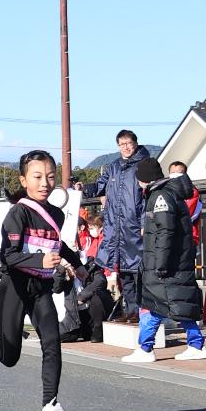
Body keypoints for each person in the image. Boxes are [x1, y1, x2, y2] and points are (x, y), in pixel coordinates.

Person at [0, 150, 86, 411]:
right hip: (15, 287)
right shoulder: (18, 213)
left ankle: (50, 406)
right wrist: (39, 260)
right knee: (10, 357)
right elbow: (8, 256)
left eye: (50, 176)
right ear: (24, 180)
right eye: (37, 177)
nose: (45, 183)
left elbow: (59, 246)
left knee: (52, 342)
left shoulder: (57, 214)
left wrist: (79, 266)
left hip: (41, 289)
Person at [121, 158, 206, 363]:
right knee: (176, 304)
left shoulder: (160, 196)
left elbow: (165, 231)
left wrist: (159, 263)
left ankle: (145, 348)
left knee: (153, 304)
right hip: (174, 260)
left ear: (145, 179)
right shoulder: (170, 193)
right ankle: (195, 344)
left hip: (164, 263)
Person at [82, 130, 149, 323]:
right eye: (122, 144)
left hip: (134, 225)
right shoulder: (114, 166)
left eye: (129, 143)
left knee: (139, 270)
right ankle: (131, 309)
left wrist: (144, 222)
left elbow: (148, 197)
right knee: (124, 271)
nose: (126, 147)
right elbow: (100, 185)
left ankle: (143, 312)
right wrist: (85, 188)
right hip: (115, 225)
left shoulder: (144, 165)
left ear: (135, 143)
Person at [55, 256, 113, 343]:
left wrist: (82, 296)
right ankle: (82, 332)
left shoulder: (92, 265)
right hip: (75, 315)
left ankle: (97, 330)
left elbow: (100, 281)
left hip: (92, 311)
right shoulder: (63, 268)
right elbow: (56, 289)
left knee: (97, 295)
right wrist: (61, 270)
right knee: (58, 336)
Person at [168, 161, 202, 247]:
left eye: (179, 173)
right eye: (172, 172)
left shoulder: (192, 192)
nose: (175, 175)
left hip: (188, 237)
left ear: (185, 174)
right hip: (171, 237)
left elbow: (186, 213)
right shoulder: (167, 191)